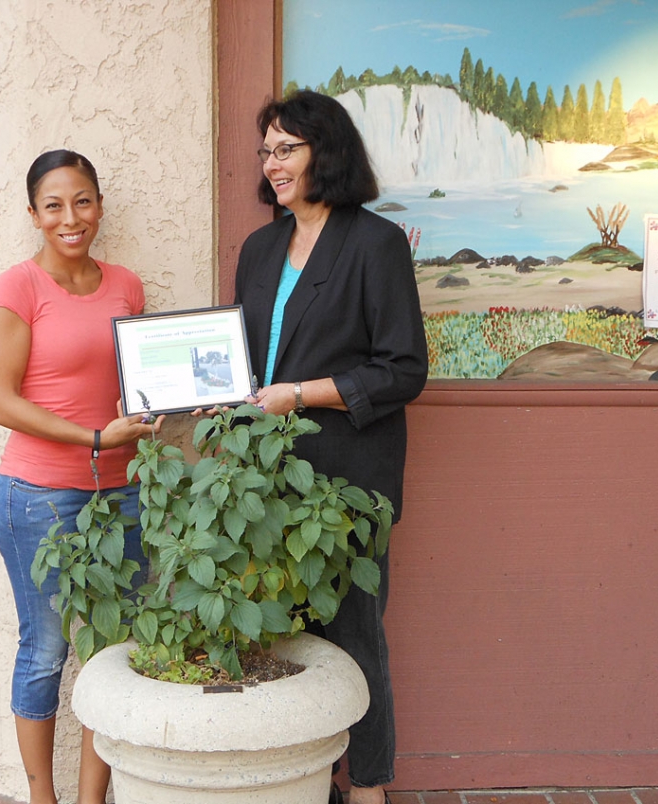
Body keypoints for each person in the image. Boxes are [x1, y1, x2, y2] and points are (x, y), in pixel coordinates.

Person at [234, 90, 428, 804]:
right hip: (266, 482)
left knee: (354, 638)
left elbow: (404, 368)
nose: (273, 163)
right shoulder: (260, 247)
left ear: (328, 151)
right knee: (282, 637)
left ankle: (370, 787)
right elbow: (245, 364)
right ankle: (307, 783)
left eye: (288, 148)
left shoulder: (374, 243)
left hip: (347, 482)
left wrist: (301, 393)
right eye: (267, 150)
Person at [0, 149, 162, 804]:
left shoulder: (127, 285)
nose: (70, 217)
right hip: (38, 499)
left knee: (110, 648)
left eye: (82, 200)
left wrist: (153, 408)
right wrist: (91, 437)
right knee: (47, 649)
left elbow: (134, 381)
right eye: (53, 205)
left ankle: (92, 800)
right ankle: (43, 799)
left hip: (122, 493)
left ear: (100, 206)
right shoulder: (16, 289)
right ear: (33, 214)